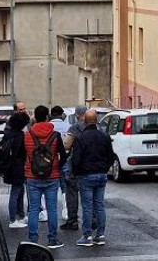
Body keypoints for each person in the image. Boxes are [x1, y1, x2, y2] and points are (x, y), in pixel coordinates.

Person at [23, 105, 67, 249]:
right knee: (52, 208)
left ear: (35, 117)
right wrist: (57, 167)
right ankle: (52, 239)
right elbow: (64, 155)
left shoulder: (28, 135)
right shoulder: (55, 135)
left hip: (32, 176)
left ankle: (33, 239)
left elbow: (21, 155)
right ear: (47, 117)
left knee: (34, 209)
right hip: (52, 176)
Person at [72, 109, 114, 247]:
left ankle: (87, 236)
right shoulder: (104, 136)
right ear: (96, 121)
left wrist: (76, 172)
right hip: (101, 175)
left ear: (85, 121)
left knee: (87, 207)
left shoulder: (81, 137)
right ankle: (100, 235)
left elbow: (76, 159)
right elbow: (110, 156)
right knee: (100, 205)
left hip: (86, 176)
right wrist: (104, 169)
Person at [60, 105, 87, 231]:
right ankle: (92, 220)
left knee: (72, 194)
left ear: (77, 115)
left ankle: (72, 221)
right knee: (90, 196)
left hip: (75, 167)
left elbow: (66, 145)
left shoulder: (74, 128)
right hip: (92, 167)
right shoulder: (97, 127)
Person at [2, 111, 31, 229]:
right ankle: (13, 219)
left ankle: (20, 215)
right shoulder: (20, 136)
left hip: (10, 166)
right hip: (18, 166)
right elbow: (23, 153)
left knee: (19, 191)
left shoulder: (8, 134)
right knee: (16, 192)